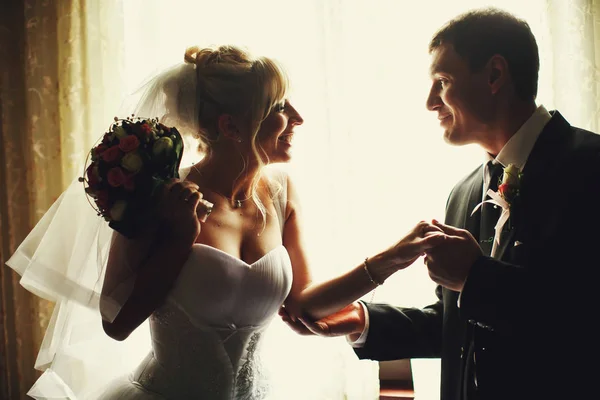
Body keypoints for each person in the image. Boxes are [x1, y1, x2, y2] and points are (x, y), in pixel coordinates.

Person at [6, 45, 445, 399]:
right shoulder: (162, 195)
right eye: (280, 107)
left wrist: (389, 260)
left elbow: (305, 304)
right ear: (232, 126)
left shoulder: (281, 192)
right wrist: (181, 239)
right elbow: (116, 324)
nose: (298, 119)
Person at [283, 7, 600, 400]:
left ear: (495, 75)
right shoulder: (463, 193)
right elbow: (456, 324)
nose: (431, 102)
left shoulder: (590, 166)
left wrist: (477, 277)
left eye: (442, 81)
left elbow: (583, 317)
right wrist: (363, 321)